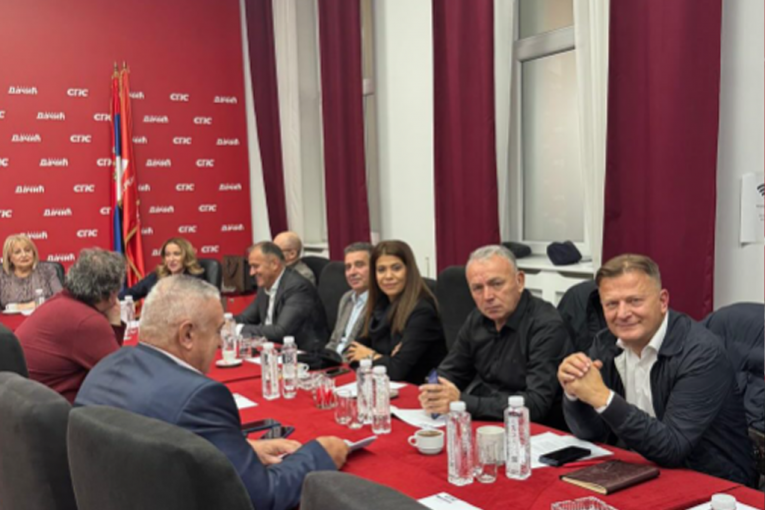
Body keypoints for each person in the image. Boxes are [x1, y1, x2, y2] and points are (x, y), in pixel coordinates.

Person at [76, 276, 347, 510]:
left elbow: (155, 438)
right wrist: (320, 454)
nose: (219, 343)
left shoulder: (105, 366)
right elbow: (262, 498)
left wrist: (236, 449)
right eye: (217, 331)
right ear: (187, 335)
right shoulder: (199, 397)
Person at [558, 254, 756, 486]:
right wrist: (574, 392)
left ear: (663, 301)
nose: (622, 314)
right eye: (612, 304)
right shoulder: (605, 343)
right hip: (637, 470)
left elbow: (673, 447)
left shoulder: (701, 353)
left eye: (635, 301)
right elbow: (591, 433)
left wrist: (603, 398)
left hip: (713, 482)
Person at [419, 245, 571, 425]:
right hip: (486, 421)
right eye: (477, 288)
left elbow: (537, 404)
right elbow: (451, 371)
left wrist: (462, 402)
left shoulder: (546, 324)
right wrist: (435, 391)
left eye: (496, 284)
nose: (487, 296)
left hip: (536, 429)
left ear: (520, 281)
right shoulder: (477, 318)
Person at [16, 248, 125, 403]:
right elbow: (120, 377)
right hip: (51, 409)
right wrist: (115, 322)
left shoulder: (60, 301)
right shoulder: (88, 322)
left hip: (23, 402)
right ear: (111, 294)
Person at [346, 240, 446, 384]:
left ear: (409, 271)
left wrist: (371, 356)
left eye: (396, 268)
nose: (388, 276)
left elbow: (396, 370)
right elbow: (353, 353)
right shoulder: (380, 304)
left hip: (419, 389)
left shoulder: (422, 311)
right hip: (385, 386)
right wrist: (385, 359)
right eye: (381, 270)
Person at [235, 242, 328, 351]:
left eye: (256, 266)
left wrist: (237, 329)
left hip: (302, 353)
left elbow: (281, 332)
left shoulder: (297, 288)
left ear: (274, 264)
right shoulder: (265, 283)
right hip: (273, 350)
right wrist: (224, 322)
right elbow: (245, 318)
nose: (251, 273)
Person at [119, 237, 204, 301]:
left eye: (176, 254)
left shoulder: (195, 278)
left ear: (187, 256)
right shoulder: (157, 276)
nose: (171, 259)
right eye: (167, 255)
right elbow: (132, 293)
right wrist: (112, 300)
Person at [326, 242, 373, 356]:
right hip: (334, 361)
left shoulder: (378, 302)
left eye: (359, 265)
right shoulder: (346, 298)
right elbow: (334, 341)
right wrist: (324, 359)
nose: (352, 272)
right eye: (348, 267)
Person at [0, 234, 62, 310]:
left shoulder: (47, 270)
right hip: (10, 317)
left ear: (33, 253)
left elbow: (61, 298)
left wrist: (25, 306)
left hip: (44, 314)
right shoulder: (2, 275)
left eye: (27, 250)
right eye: (17, 252)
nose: (24, 255)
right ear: (9, 258)